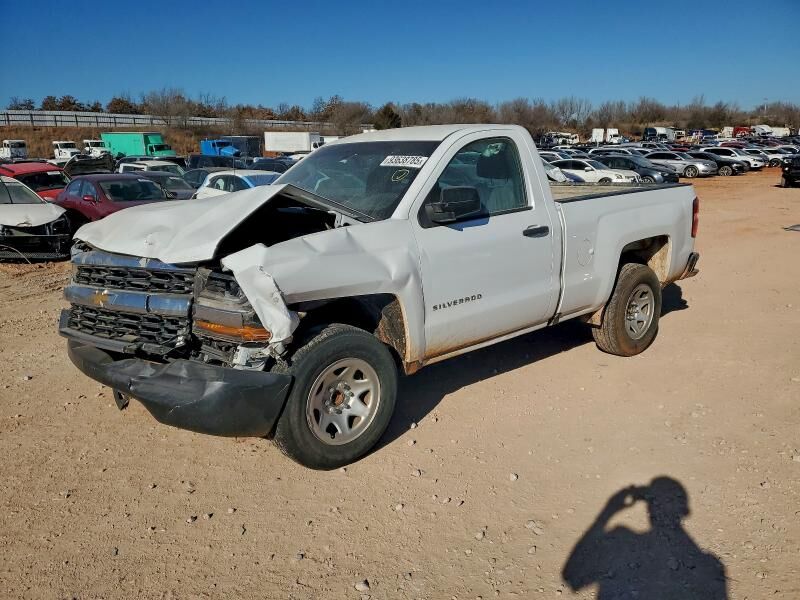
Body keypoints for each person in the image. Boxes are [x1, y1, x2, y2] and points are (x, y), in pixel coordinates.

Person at [562, 476, 727, 599]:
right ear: (684, 511)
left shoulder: (621, 542)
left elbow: (571, 576)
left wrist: (607, 513)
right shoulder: (710, 565)